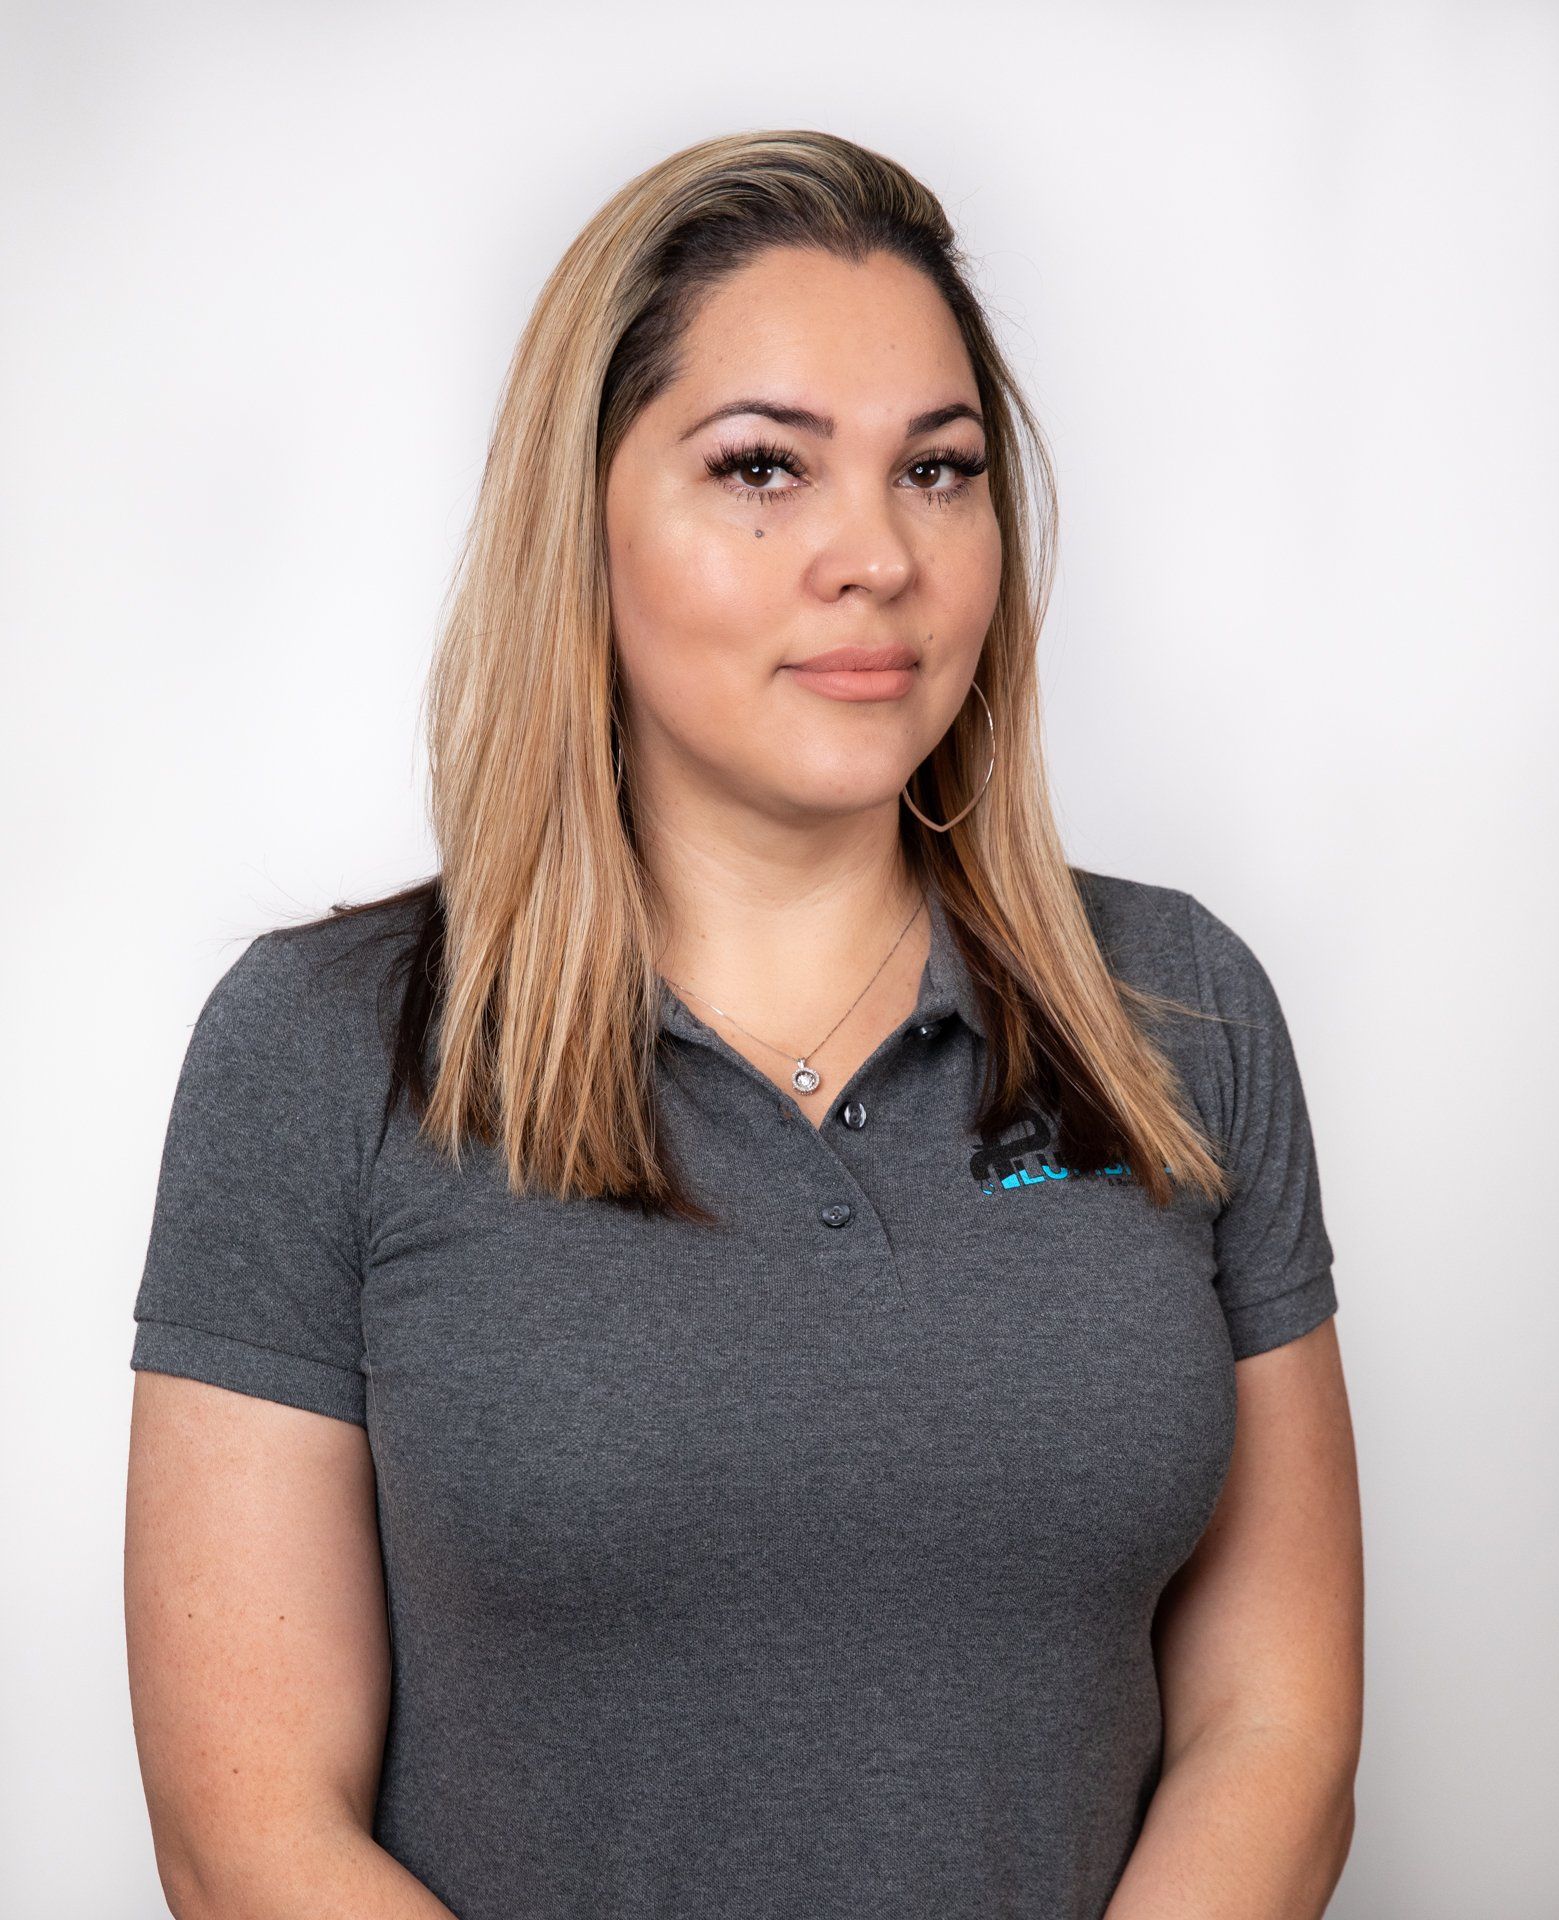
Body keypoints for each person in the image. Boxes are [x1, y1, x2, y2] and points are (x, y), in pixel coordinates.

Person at [124, 128, 1362, 1920]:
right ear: (585, 519)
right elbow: (246, 1836)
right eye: (763, 467)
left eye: (937, 472)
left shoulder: (1175, 1014)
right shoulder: (323, 1054)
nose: (875, 556)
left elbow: (1276, 1726)